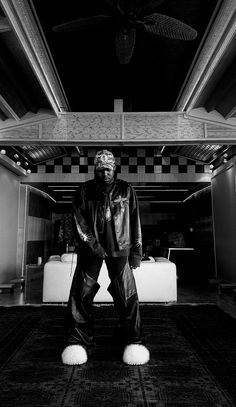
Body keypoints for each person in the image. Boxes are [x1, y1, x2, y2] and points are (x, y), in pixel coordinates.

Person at [61, 149, 150, 366]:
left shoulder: (127, 189)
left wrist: (136, 252)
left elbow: (135, 220)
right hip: (91, 250)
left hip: (121, 249)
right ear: (95, 169)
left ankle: (131, 341)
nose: (105, 173)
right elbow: (78, 221)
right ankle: (78, 342)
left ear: (115, 168)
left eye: (108, 169)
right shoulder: (84, 190)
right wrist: (92, 246)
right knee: (81, 294)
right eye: (100, 169)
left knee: (127, 295)